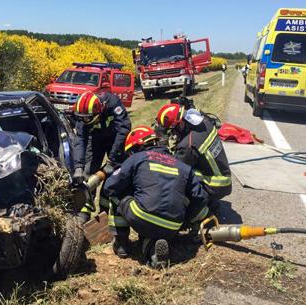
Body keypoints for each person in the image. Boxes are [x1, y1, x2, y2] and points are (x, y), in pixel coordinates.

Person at [103, 125, 209, 268]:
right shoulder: (182, 165)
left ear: (135, 148)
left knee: (118, 196)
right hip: (173, 224)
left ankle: (122, 244)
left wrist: (131, 190)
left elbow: (110, 186)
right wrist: (185, 220)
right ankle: (153, 255)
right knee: (152, 233)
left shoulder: (137, 158)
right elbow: (200, 197)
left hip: (142, 216)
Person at [156, 103, 232, 209]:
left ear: (180, 124)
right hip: (224, 178)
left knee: (182, 176)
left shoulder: (188, 145)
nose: (173, 134)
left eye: (172, 130)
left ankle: (201, 207)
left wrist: (162, 144)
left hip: (217, 185)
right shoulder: (205, 122)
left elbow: (173, 169)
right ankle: (210, 200)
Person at [71, 91, 131, 222]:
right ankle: (84, 211)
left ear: (100, 110)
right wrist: (78, 167)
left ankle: (106, 210)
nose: (85, 121)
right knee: (87, 172)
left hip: (115, 138)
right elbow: (80, 139)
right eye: (83, 118)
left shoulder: (113, 103)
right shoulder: (83, 114)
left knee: (114, 174)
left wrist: (113, 159)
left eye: (88, 118)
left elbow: (124, 129)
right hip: (95, 139)